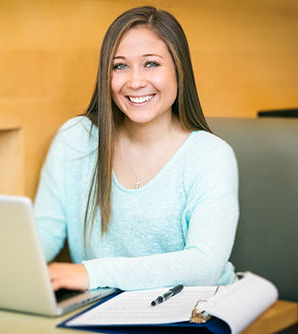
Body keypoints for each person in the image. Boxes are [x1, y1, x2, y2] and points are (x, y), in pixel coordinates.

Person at [34, 6, 239, 292]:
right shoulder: (76, 139)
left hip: (192, 312)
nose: (135, 81)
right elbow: (42, 233)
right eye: (120, 66)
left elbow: (203, 265)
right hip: (102, 310)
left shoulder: (211, 156)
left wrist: (95, 273)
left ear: (180, 70)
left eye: (151, 64)